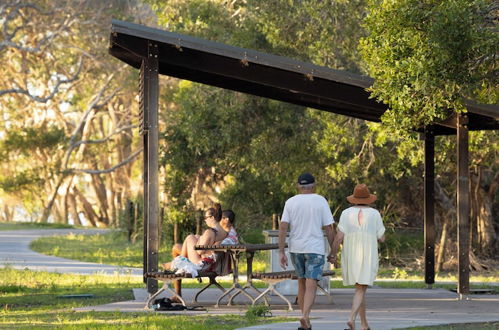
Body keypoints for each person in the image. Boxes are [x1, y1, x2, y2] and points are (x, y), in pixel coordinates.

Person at [278, 173, 335, 330]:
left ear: (298, 186)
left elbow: (283, 227)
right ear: (314, 185)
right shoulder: (321, 200)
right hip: (314, 249)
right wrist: (333, 250)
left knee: (301, 283)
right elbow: (329, 228)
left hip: (296, 249)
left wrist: (281, 251)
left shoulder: (290, 202)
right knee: (311, 285)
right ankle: (305, 316)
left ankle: (305, 322)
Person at [328, 183, 385, 330]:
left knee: (360, 288)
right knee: (361, 288)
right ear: (369, 198)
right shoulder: (375, 214)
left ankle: (364, 325)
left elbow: (339, 237)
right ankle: (351, 318)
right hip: (368, 253)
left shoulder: (346, 213)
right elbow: (382, 238)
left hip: (351, 253)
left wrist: (333, 254)